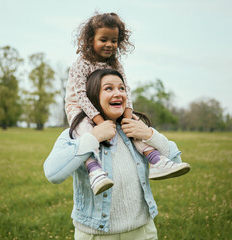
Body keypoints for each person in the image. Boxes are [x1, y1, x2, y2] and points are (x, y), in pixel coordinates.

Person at [44, 69, 186, 239]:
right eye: (109, 88)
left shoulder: (135, 130)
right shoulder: (77, 133)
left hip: (142, 232)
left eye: (122, 88)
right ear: (93, 97)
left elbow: (176, 161)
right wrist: (94, 137)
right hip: (96, 235)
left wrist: (150, 134)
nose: (118, 93)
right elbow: (53, 173)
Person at [65, 12, 190, 195]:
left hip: (106, 106)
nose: (109, 45)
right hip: (79, 106)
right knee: (85, 132)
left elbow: (126, 89)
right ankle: (94, 170)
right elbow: (82, 96)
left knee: (133, 126)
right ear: (91, 40)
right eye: (103, 39)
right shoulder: (81, 64)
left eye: (114, 40)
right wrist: (100, 122)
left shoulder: (115, 64)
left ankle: (156, 160)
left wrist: (128, 113)